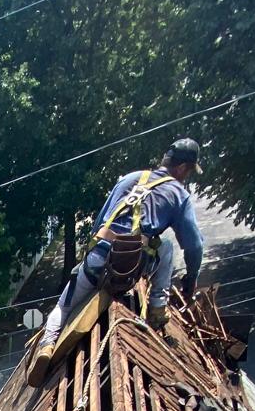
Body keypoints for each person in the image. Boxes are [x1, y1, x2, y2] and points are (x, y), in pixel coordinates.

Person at [32, 139, 205, 374]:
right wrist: (191, 278)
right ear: (184, 167)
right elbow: (194, 246)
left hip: (98, 258)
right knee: (166, 247)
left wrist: (92, 256)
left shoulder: (129, 179)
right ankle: (157, 307)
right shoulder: (178, 194)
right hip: (131, 267)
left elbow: (98, 224)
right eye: (189, 172)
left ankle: (46, 345)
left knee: (63, 306)